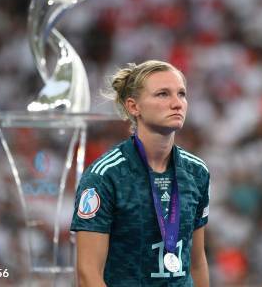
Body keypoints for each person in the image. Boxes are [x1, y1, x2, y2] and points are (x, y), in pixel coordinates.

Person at [70, 60, 210, 286]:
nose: (177, 103)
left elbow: (197, 262)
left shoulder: (197, 172)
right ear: (134, 107)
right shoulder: (104, 176)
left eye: (181, 94)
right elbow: (88, 273)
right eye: (163, 94)